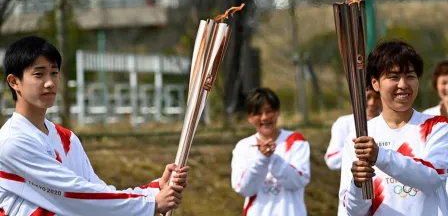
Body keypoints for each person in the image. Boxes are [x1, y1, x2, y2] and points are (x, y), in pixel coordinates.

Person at [0, 36, 189, 216]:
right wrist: (151, 204)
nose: (50, 83)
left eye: (54, 73)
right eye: (39, 74)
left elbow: (97, 192)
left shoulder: (66, 139)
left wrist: (154, 190)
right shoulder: (12, 143)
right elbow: (74, 196)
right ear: (14, 82)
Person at [339, 39, 448, 215]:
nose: (403, 85)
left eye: (410, 76)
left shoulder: (436, 127)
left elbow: (432, 179)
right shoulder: (358, 138)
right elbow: (354, 211)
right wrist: (358, 185)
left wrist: (380, 155)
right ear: (375, 83)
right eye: (393, 77)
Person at [231, 87, 310, 216]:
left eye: (269, 111)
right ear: (250, 117)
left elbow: (299, 181)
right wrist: (262, 159)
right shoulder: (243, 146)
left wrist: (273, 158)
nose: (264, 118)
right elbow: (243, 188)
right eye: (258, 113)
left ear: (277, 112)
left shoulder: (296, 141)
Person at [324, 87, 382, 215]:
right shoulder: (344, 123)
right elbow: (331, 160)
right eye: (368, 98)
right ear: (358, 99)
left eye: (377, 98)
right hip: (353, 198)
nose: (372, 103)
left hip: (383, 198)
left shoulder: (387, 125)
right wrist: (353, 147)